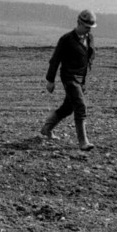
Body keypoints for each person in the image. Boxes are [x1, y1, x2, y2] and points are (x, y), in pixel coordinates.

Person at [40, 9, 97, 150]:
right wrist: (50, 80)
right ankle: (83, 142)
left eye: (90, 27)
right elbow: (55, 60)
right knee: (80, 106)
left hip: (81, 79)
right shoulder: (66, 39)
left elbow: (89, 56)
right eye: (86, 27)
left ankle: (46, 129)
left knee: (68, 107)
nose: (88, 30)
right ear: (78, 23)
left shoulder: (89, 38)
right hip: (69, 78)